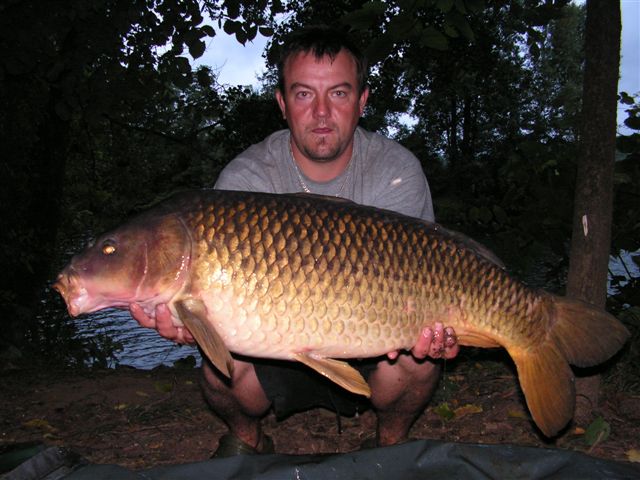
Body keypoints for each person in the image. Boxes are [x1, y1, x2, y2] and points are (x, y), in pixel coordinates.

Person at [130, 25, 459, 456]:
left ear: (362, 101)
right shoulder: (244, 181)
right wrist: (193, 324)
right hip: (271, 346)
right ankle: (247, 442)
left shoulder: (396, 171)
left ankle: (391, 443)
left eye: (338, 94)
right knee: (216, 367)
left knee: (422, 357)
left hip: (373, 340)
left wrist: (435, 324)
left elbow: (428, 268)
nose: (321, 113)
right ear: (282, 104)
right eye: (304, 94)